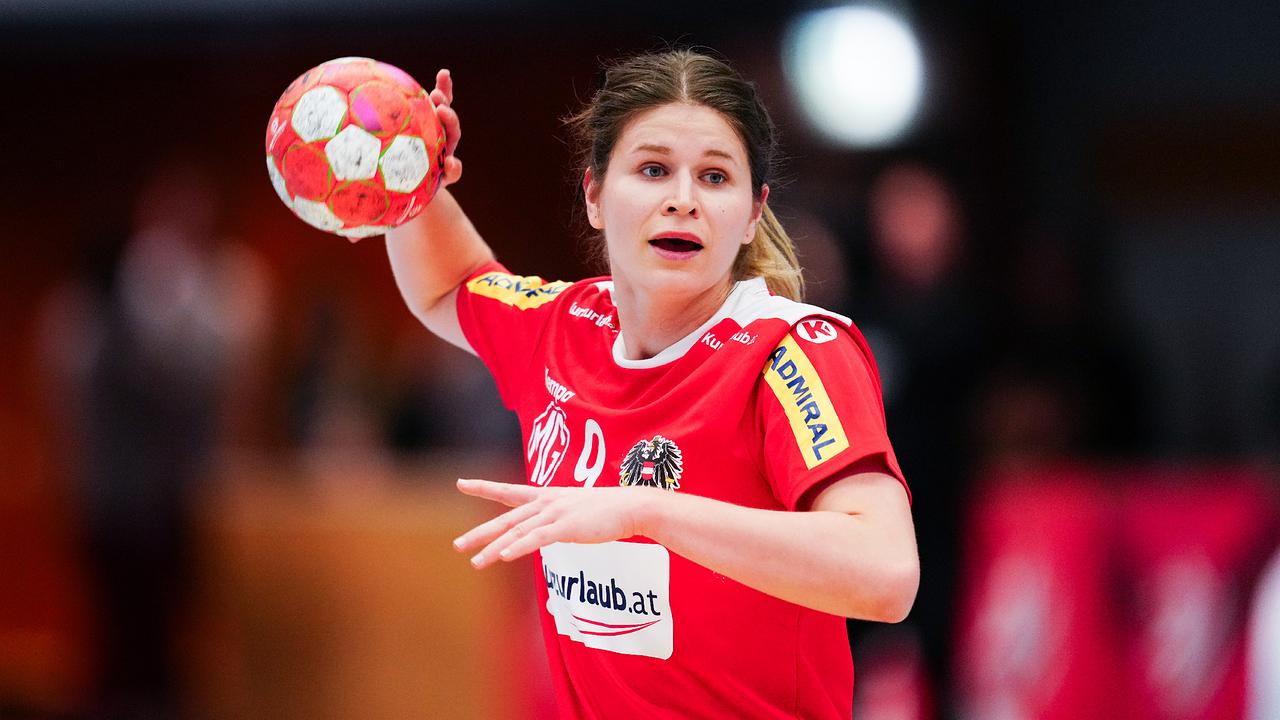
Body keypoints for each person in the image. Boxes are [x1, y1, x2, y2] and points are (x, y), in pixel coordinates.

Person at [383, 49, 918, 718]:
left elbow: (886, 572)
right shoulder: (563, 326)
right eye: (653, 169)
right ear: (596, 196)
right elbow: (449, 283)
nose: (682, 200)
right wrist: (405, 173)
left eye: (715, 177)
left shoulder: (791, 350)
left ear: (753, 213)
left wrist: (644, 510)